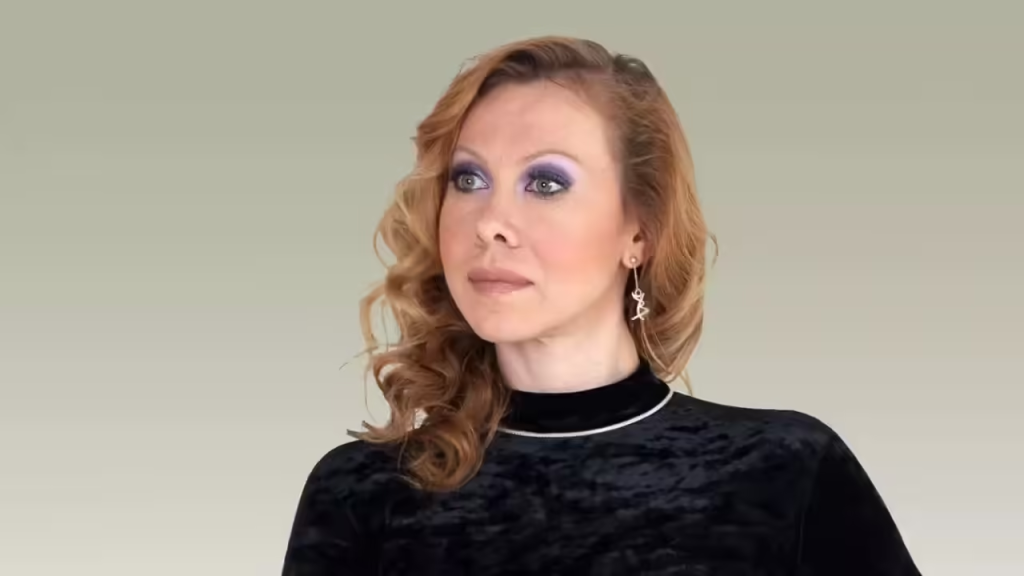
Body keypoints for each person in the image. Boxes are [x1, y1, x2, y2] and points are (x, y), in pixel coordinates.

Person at [281, 36, 920, 575]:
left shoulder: (785, 469)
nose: (490, 222)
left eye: (546, 182)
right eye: (468, 179)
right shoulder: (363, 493)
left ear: (639, 232)